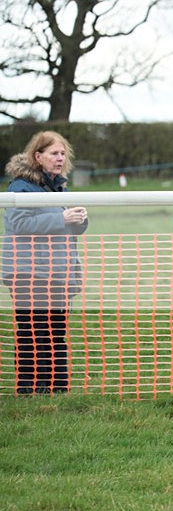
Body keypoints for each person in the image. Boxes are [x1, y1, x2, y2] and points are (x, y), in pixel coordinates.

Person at [2, 131, 88, 395]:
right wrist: (63, 220)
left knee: (55, 331)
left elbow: (71, 229)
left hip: (58, 273)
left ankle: (57, 389)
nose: (60, 158)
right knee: (32, 332)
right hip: (29, 273)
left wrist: (81, 219)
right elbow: (18, 224)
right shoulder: (20, 187)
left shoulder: (61, 187)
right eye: (54, 153)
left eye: (62, 153)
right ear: (37, 156)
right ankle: (29, 389)